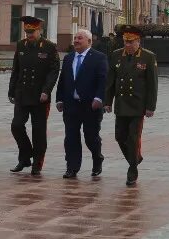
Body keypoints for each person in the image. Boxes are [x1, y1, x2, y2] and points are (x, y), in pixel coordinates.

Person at [105, 25, 158, 187]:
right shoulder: (116, 55)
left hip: (137, 105)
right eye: (125, 42)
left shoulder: (148, 57)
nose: (128, 45)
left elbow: (152, 84)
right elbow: (110, 81)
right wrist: (108, 101)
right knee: (119, 137)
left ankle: (132, 170)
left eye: (131, 42)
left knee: (133, 138)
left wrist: (150, 106)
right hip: (121, 104)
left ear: (138, 41)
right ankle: (135, 158)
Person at [8, 15, 60, 175]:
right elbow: (16, 69)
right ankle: (25, 155)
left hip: (40, 96)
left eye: (32, 31)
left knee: (38, 131)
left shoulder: (49, 47)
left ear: (40, 30)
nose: (29, 35)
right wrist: (11, 91)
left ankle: (37, 161)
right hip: (22, 93)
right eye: (27, 31)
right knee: (16, 126)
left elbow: (53, 71)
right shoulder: (21, 45)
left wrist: (46, 90)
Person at [56, 27, 108, 179]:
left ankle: (97, 159)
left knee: (91, 136)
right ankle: (72, 167)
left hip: (90, 106)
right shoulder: (68, 58)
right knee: (71, 137)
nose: (76, 41)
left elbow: (103, 80)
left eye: (80, 38)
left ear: (89, 41)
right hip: (71, 105)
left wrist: (99, 99)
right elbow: (63, 80)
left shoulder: (99, 58)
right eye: (75, 38)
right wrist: (59, 99)